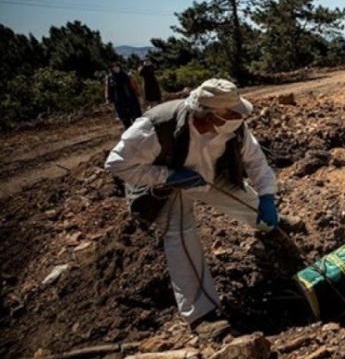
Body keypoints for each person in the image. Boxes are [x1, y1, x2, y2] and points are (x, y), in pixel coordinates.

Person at [105, 78, 281, 328]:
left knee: (252, 204)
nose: (238, 116)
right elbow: (117, 163)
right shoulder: (156, 127)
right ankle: (201, 313)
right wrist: (166, 176)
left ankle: (273, 228)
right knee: (180, 234)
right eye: (231, 113)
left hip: (210, 175)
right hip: (168, 187)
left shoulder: (234, 126)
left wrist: (267, 196)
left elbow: (255, 161)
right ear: (209, 117)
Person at [105, 61, 143, 129]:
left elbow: (135, 86)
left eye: (117, 66)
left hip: (131, 100)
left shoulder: (128, 75)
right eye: (113, 67)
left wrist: (139, 96)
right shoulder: (110, 78)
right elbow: (107, 89)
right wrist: (108, 99)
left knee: (136, 118)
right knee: (125, 120)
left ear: (120, 67)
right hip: (119, 102)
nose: (115, 68)